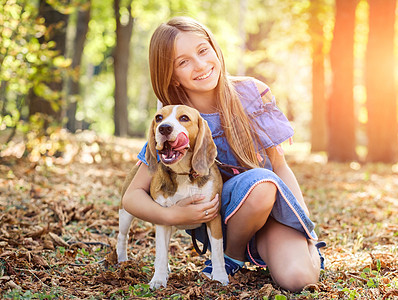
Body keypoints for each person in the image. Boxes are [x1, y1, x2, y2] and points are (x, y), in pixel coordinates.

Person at [122, 16, 325, 291]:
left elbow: (281, 167)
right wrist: (172, 217)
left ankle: (301, 249)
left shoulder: (251, 94)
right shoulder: (174, 120)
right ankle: (231, 256)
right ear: (171, 75)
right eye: (183, 62)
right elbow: (132, 197)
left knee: (299, 279)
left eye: (203, 51)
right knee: (262, 185)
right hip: (222, 222)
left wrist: (308, 232)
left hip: (269, 215)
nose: (201, 65)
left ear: (214, 48)